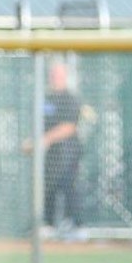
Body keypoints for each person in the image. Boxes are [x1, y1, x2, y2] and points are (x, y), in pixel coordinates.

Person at [32, 59, 84, 234]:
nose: (55, 78)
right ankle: (48, 224)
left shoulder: (70, 99)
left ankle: (74, 225)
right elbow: (39, 124)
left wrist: (45, 139)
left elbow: (69, 127)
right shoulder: (46, 99)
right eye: (52, 75)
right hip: (49, 154)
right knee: (48, 187)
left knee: (68, 186)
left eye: (58, 75)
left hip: (68, 153)